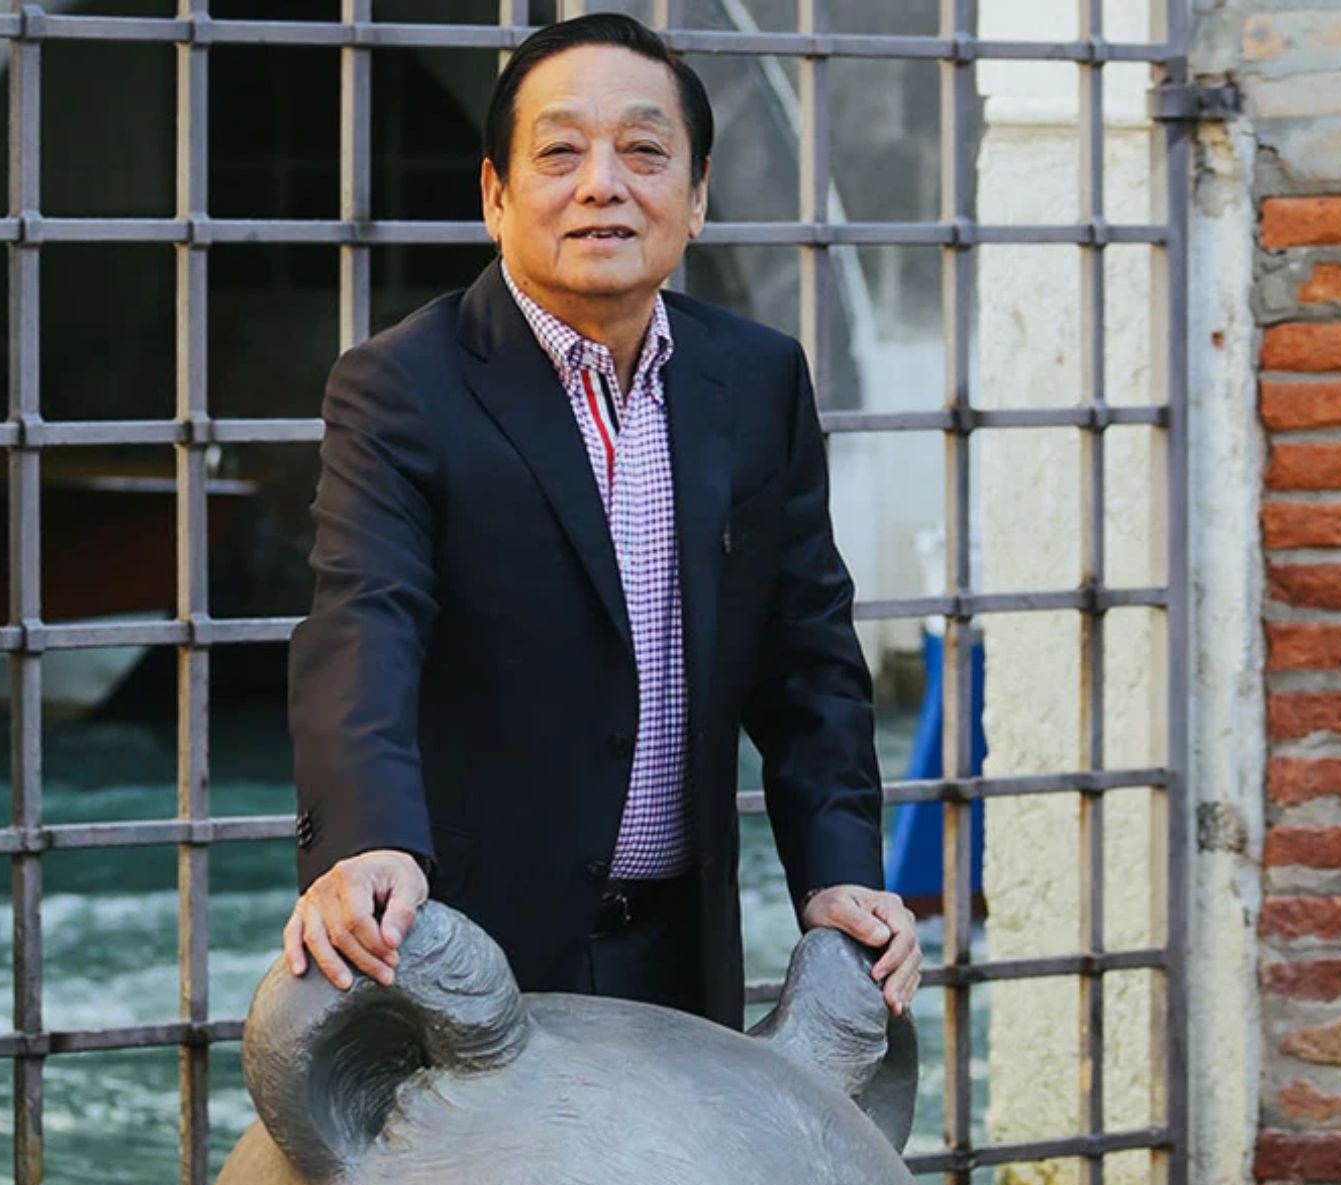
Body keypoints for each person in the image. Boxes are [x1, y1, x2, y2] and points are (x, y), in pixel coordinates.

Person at [281, 10, 920, 1025]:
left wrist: (838, 871)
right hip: (462, 951)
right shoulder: (402, 386)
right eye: (560, 153)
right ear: (495, 196)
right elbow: (365, 622)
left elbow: (808, 655)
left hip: (682, 950)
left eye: (643, 152)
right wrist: (368, 839)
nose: (601, 185)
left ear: (697, 196)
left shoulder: (755, 380)